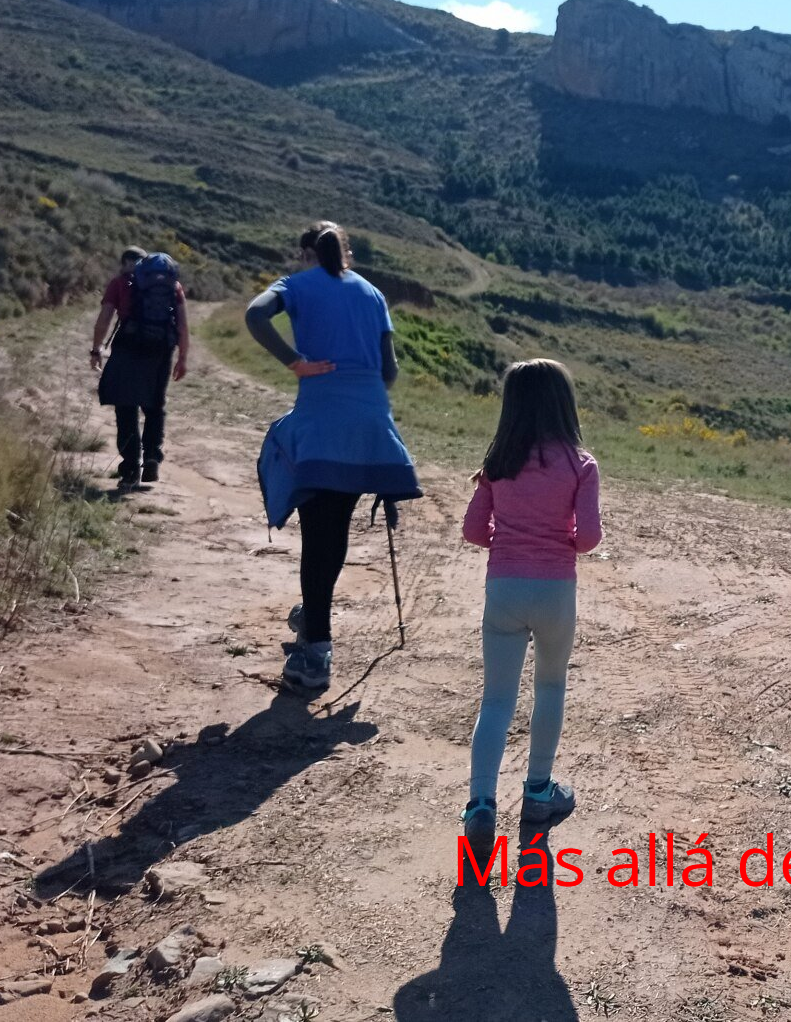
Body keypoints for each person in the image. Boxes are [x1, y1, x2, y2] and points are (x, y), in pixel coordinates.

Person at [247, 221, 421, 694]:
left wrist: (295, 362)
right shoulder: (372, 294)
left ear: (307, 253)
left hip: (322, 427)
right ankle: (312, 614)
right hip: (368, 430)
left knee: (317, 535)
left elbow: (255, 316)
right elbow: (389, 371)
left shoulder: (296, 285)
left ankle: (316, 650)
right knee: (333, 531)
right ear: (346, 252)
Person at [459, 358, 601, 849]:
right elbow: (588, 540)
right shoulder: (580, 465)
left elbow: (474, 532)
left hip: (503, 588)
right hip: (555, 589)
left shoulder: (497, 464)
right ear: (565, 404)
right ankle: (539, 792)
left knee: (496, 699)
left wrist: (511, 531)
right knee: (551, 686)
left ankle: (480, 802)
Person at [92, 247, 189, 486]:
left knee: (126, 408)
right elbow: (183, 326)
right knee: (155, 405)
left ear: (126, 262)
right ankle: (153, 458)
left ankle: (130, 469)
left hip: (128, 347)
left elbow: (105, 318)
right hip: (160, 351)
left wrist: (97, 349)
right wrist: (183, 357)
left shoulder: (119, 284)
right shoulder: (173, 287)